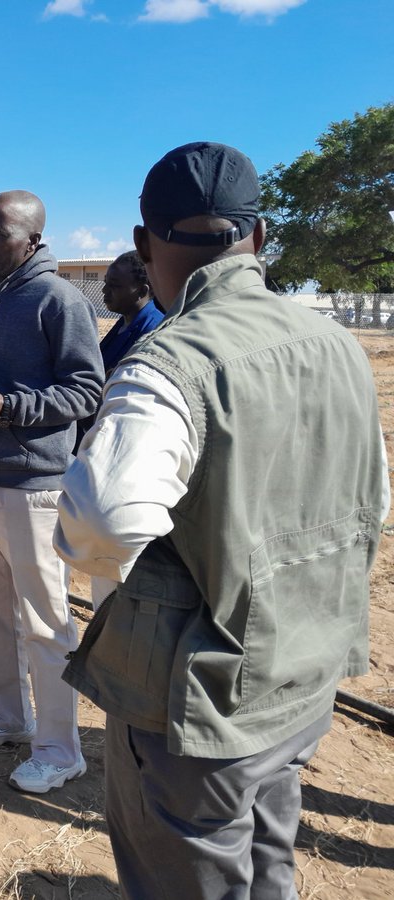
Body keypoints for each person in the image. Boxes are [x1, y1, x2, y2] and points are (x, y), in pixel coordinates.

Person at [55, 142, 388, 899]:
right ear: (261, 237)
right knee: (271, 858)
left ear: (145, 245)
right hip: (305, 683)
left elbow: (99, 526)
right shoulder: (342, 348)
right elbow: (374, 502)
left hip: (199, 708)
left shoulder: (169, 362)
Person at [0, 190, 103, 794]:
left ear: (33, 241)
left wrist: (10, 407)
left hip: (33, 488)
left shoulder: (58, 299)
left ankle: (61, 751)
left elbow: (87, 390)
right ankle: (9, 721)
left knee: (46, 624)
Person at [74, 250, 165, 451]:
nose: (105, 290)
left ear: (141, 291)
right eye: (106, 282)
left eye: (114, 285)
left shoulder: (153, 333)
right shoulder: (122, 325)